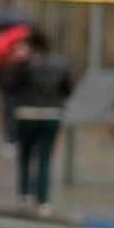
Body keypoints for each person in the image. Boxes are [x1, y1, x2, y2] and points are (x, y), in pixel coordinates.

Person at [11, 30, 73, 216]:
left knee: (25, 155)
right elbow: (67, 89)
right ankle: (43, 201)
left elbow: (11, 87)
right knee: (45, 158)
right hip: (51, 115)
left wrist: (18, 63)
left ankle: (24, 194)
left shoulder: (24, 65)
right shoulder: (60, 65)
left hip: (27, 114)